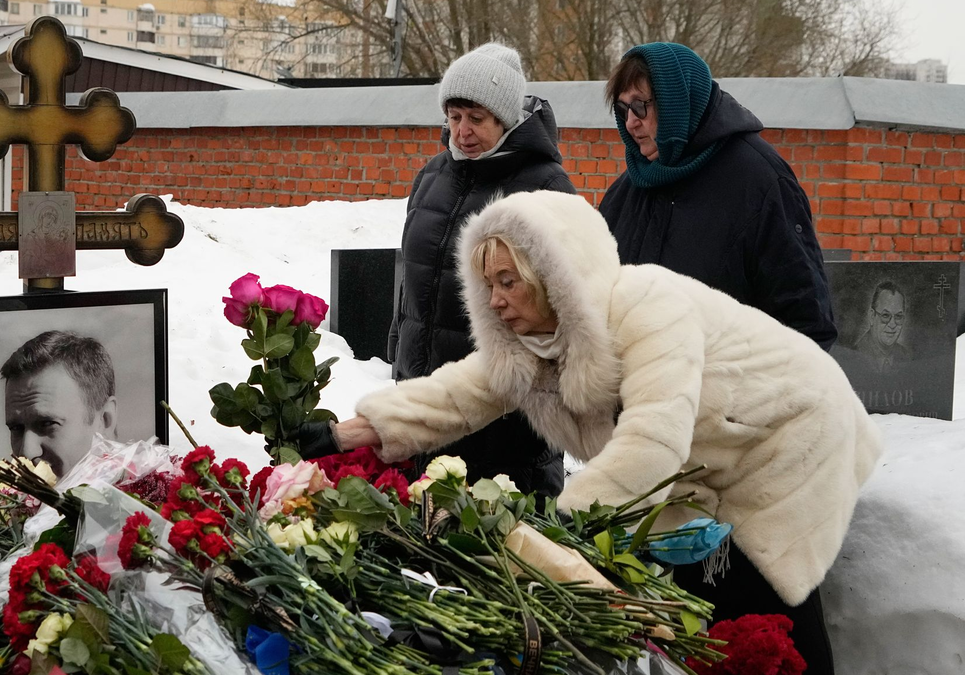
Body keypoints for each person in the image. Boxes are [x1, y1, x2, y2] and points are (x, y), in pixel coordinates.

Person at [336, 191, 881, 674]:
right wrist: (348, 435)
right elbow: (456, 395)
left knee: (763, 607)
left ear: (552, 277)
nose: (496, 299)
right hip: (705, 457)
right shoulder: (533, 341)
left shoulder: (648, 308)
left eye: (509, 281)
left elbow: (654, 440)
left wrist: (562, 530)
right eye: (488, 285)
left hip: (788, 432)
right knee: (685, 605)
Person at [384, 42, 577, 500]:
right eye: (454, 116)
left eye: (477, 118)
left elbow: (569, 306)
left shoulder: (545, 187)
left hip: (506, 419)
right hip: (426, 402)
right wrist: (398, 356)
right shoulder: (432, 175)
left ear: (505, 120)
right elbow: (412, 275)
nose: (462, 131)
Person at [598, 42, 838, 351]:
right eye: (623, 108)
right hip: (637, 395)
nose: (631, 122)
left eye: (641, 105)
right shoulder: (626, 191)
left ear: (678, 100)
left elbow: (806, 325)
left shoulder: (760, 183)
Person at [1, 330, 118, 477]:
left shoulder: (148, 496)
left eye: (47, 424)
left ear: (105, 420)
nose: (26, 453)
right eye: (16, 428)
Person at [852, 280, 912, 373]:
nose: (892, 324)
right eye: (885, 315)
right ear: (872, 316)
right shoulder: (854, 356)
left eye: (898, 316)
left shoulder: (906, 357)